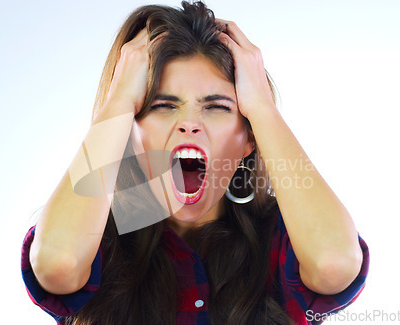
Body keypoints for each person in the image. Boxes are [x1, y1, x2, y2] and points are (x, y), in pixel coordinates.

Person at [21, 1, 369, 324]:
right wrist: (119, 102)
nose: (190, 124)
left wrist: (263, 108)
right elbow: (57, 264)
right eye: (162, 105)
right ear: (127, 133)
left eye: (217, 107)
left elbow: (334, 264)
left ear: (249, 138)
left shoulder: (284, 238)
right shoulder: (94, 239)